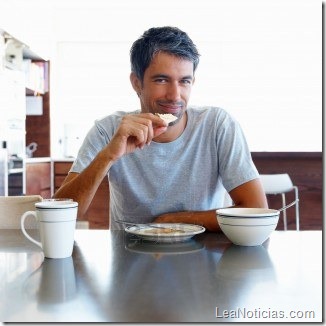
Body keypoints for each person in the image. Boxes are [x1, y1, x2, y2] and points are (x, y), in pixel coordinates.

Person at [54, 26, 267, 231]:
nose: (175, 95)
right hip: (131, 260)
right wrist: (108, 155)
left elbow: (256, 209)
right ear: (137, 83)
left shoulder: (218, 125)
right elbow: (58, 214)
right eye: (162, 80)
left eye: (184, 81)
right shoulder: (108, 130)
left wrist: (176, 220)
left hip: (203, 261)